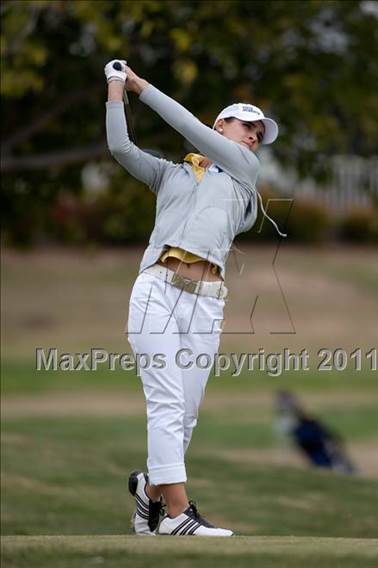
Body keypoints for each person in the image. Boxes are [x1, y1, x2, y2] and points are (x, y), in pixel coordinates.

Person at [104, 59, 282, 537]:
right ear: (221, 124)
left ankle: (149, 491)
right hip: (156, 289)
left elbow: (187, 127)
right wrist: (119, 88)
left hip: (206, 301)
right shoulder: (170, 175)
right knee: (165, 404)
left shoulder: (245, 175)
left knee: (185, 414)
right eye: (248, 127)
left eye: (259, 134)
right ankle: (178, 517)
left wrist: (145, 86)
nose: (254, 138)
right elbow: (120, 147)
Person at [274, 390, 355, 473]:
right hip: (322, 458)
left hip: (328, 460)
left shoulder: (309, 424)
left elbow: (333, 439)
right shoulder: (295, 424)